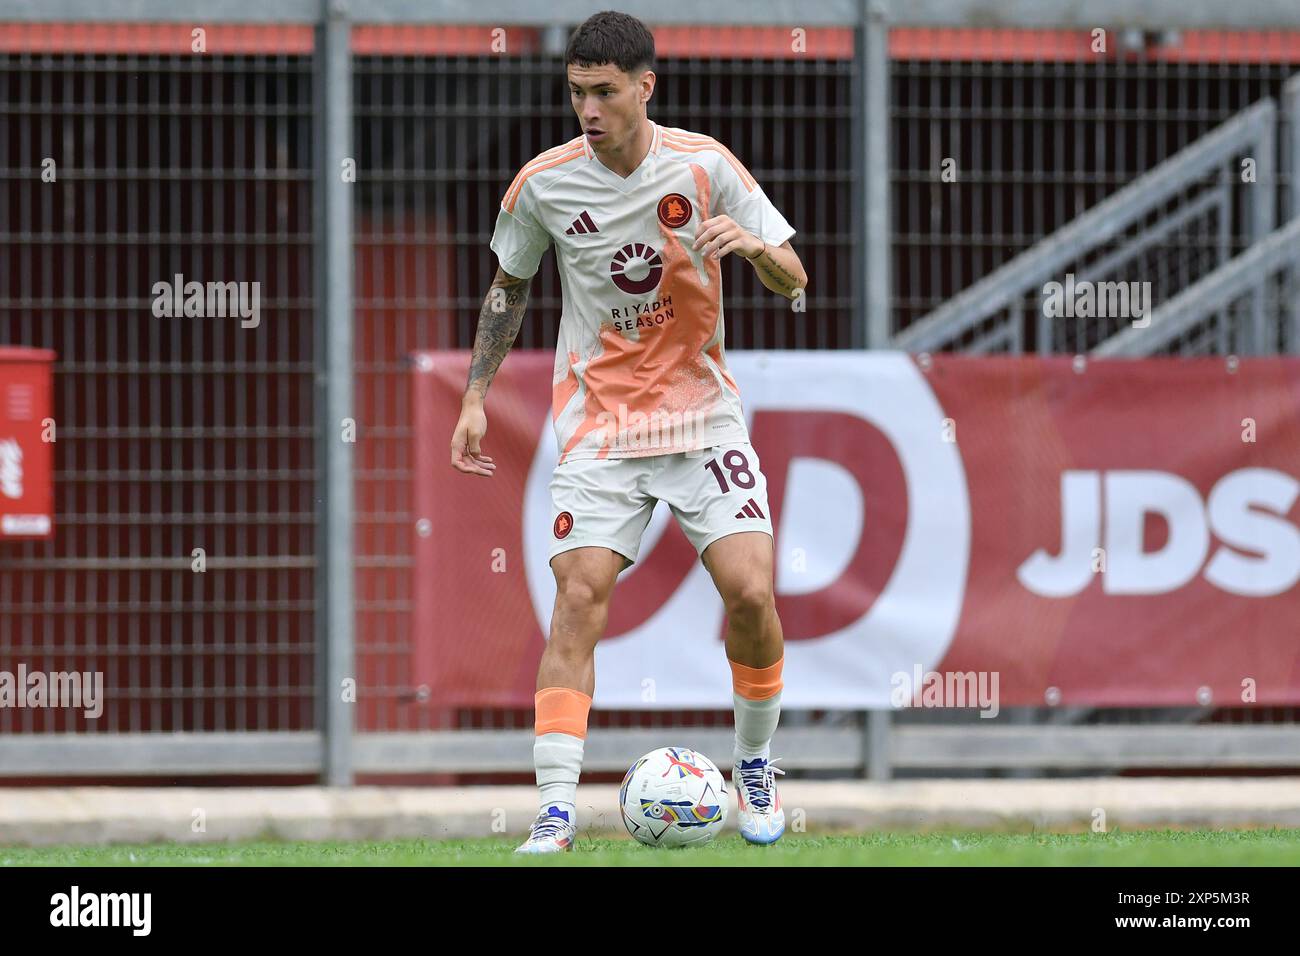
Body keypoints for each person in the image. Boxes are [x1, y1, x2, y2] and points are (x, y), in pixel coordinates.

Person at [450, 10, 807, 853]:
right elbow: (509, 289)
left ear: (646, 86)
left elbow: (795, 278)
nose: (589, 109)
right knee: (576, 601)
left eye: (605, 92)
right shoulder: (542, 185)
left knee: (752, 593)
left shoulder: (706, 166)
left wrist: (751, 246)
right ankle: (555, 811)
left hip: (701, 417)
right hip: (600, 428)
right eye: (577, 92)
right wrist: (475, 394)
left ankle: (753, 768)